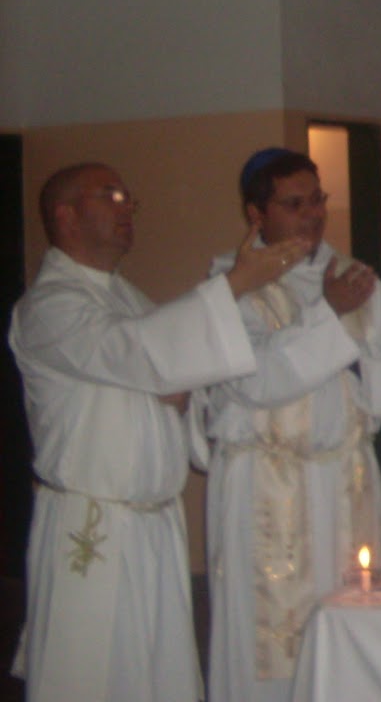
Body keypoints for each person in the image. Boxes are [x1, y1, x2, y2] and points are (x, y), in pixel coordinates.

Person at [9, 162, 309, 702]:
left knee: (160, 674)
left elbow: (162, 362)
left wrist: (179, 389)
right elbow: (132, 351)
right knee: (90, 678)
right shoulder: (49, 306)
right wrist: (236, 284)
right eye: (110, 196)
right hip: (93, 524)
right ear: (66, 215)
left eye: (129, 197)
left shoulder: (127, 297)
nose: (126, 207)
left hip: (155, 524)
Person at [192, 148, 381, 702]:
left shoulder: (353, 277)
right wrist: (330, 317)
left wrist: (360, 362)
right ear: (256, 215)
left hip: (345, 480)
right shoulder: (230, 287)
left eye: (317, 200)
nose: (313, 215)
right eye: (294, 204)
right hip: (267, 486)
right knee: (267, 647)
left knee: (351, 631)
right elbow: (256, 379)